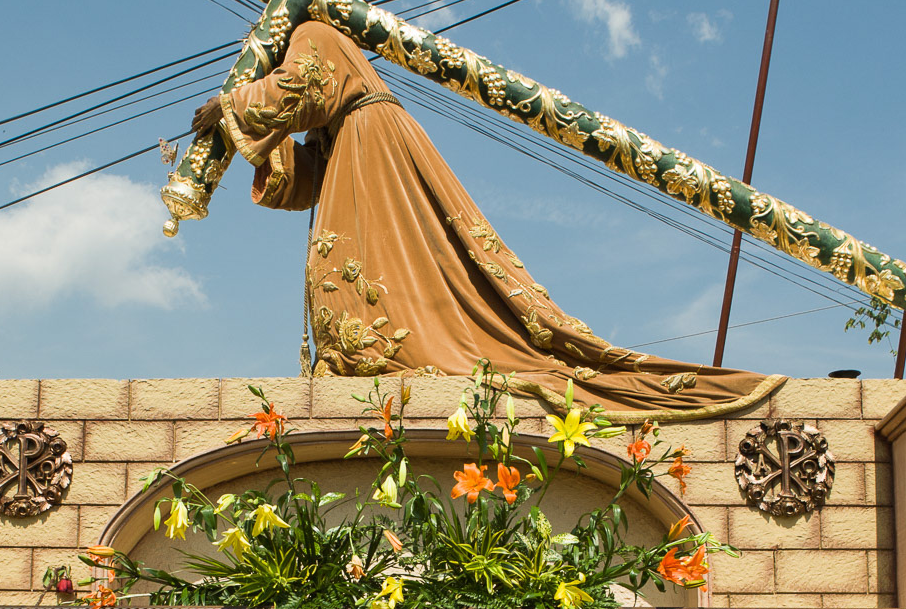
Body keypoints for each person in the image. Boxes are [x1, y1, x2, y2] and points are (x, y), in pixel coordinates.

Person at [190, 22, 773, 419]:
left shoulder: (316, 35)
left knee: (413, 278)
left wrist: (234, 104)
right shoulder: (336, 109)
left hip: (377, 158)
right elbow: (307, 173)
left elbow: (299, 88)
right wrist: (261, 146)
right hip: (356, 161)